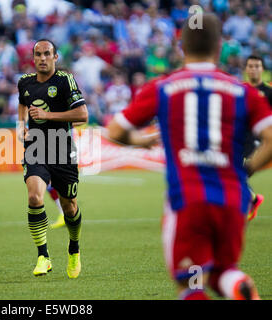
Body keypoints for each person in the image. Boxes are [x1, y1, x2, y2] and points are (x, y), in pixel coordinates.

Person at [106, 14, 272, 300]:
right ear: (219, 47)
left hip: (189, 199)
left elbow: (115, 130)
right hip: (232, 199)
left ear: (181, 47)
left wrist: (141, 141)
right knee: (223, 270)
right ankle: (239, 286)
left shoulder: (163, 87)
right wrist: (246, 170)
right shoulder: (242, 91)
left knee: (192, 284)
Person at [17, 39, 88, 278]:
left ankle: (74, 248)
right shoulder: (24, 82)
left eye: (47, 54)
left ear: (55, 57)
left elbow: (82, 115)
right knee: (35, 196)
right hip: (35, 147)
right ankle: (43, 256)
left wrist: (47, 114)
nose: (42, 58)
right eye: (38, 54)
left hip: (62, 148)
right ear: (33, 57)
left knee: (70, 206)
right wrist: (20, 126)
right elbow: (22, 103)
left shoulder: (65, 80)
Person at [243, 55, 272, 221]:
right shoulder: (242, 90)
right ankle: (252, 199)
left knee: (237, 174)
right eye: (250, 66)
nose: (253, 69)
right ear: (246, 69)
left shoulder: (269, 92)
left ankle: (251, 199)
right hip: (240, 138)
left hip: (259, 141)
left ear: (262, 69)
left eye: (257, 66)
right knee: (233, 175)